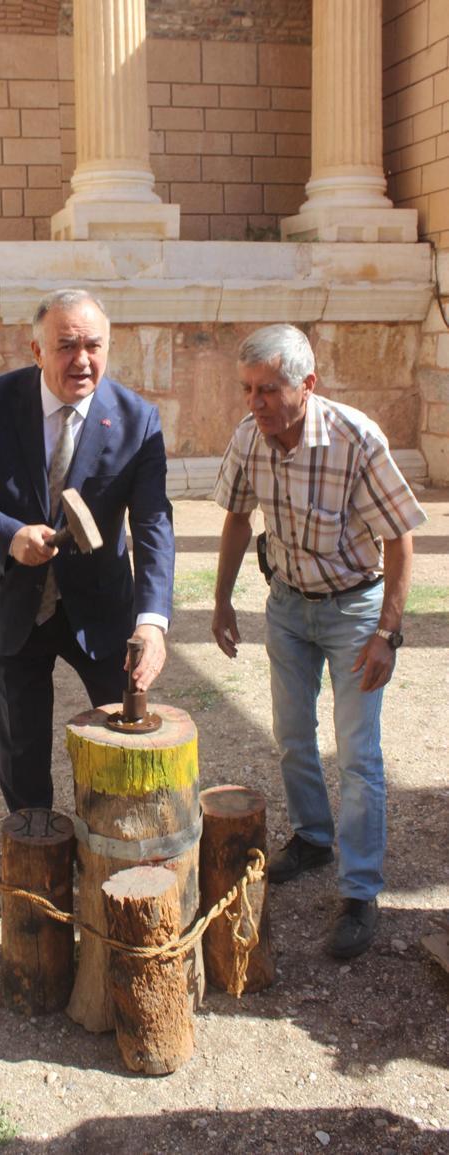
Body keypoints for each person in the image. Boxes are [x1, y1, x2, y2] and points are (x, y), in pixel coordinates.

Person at [211, 323, 426, 959]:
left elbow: (400, 536)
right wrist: (221, 601)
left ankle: (359, 892)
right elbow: (236, 517)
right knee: (292, 736)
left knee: (358, 755)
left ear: (308, 384)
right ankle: (311, 838)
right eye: (248, 389)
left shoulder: (355, 437)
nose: (255, 403)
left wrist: (388, 632)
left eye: (269, 389)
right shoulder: (250, 437)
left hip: (355, 611)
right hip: (287, 609)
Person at [0, 288, 175, 813]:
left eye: (94, 345)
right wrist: (9, 536)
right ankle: (33, 844)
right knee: (21, 748)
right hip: (12, 605)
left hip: (101, 608)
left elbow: (154, 522)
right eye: (66, 346)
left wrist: (153, 619)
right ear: (36, 349)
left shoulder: (137, 420)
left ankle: (119, 840)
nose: (83, 360)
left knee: (124, 733)